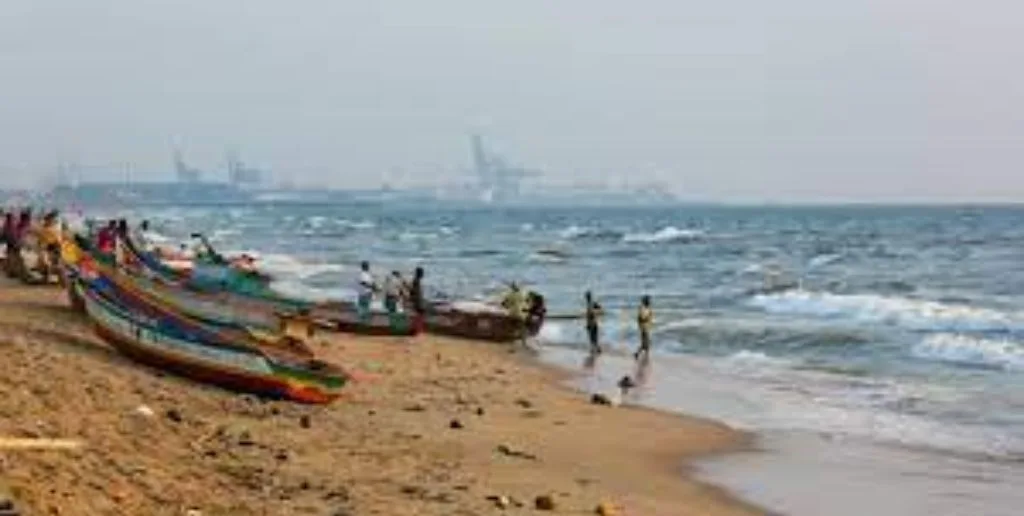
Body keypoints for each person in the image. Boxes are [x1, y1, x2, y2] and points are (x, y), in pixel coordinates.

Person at [634, 295, 654, 361]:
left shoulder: (646, 308)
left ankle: (641, 355)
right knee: (645, 344)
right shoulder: (643, 309)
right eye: (648, 300)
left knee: (646, 344)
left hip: (646, 328)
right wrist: (648, 315)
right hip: (644, 328)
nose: (650, 302)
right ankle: (641, 355)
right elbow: (642, 317)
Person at [407, 267, 426, 333]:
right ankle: (416, 329)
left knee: (418, 315)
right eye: (422, 273)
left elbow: (412, 291)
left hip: (417, 300)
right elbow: (414, 291)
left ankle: (415, 329)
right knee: (420, 315)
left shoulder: (416, 280)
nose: (423, 274)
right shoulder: (417, 281)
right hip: (418, 300)